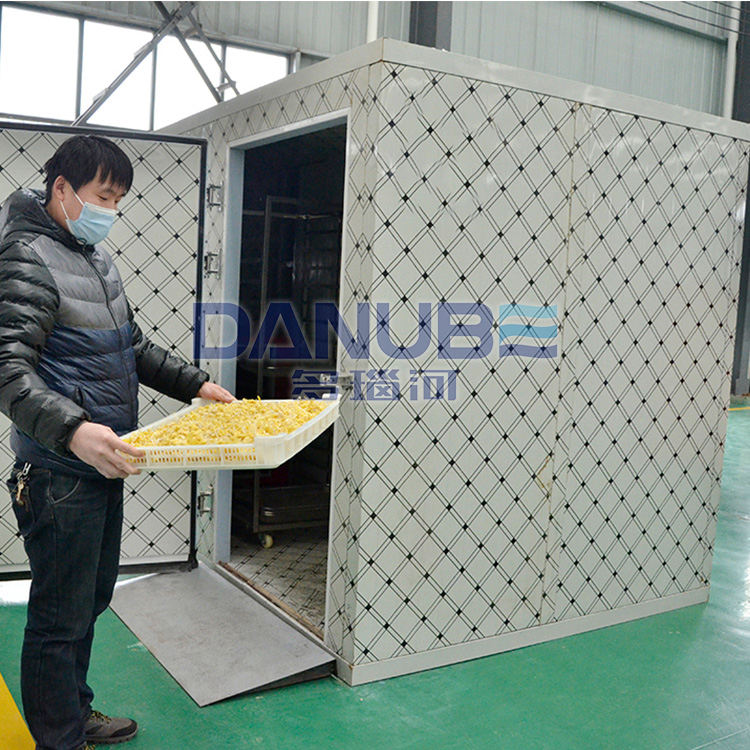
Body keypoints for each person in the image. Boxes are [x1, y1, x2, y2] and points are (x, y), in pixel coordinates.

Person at [0, 134, 234, 750]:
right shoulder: (26, 256)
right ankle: (59, 738)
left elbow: (130, 346)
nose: (110, 210)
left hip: (102, 465)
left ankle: (73, 714)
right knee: (59, 614)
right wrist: (73, 429)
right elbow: (8, 367)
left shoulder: (94, 258)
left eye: (118, 200)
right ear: (62, 189)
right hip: (59, 469)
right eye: (103, 196)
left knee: (90, 599)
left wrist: (196, 383)